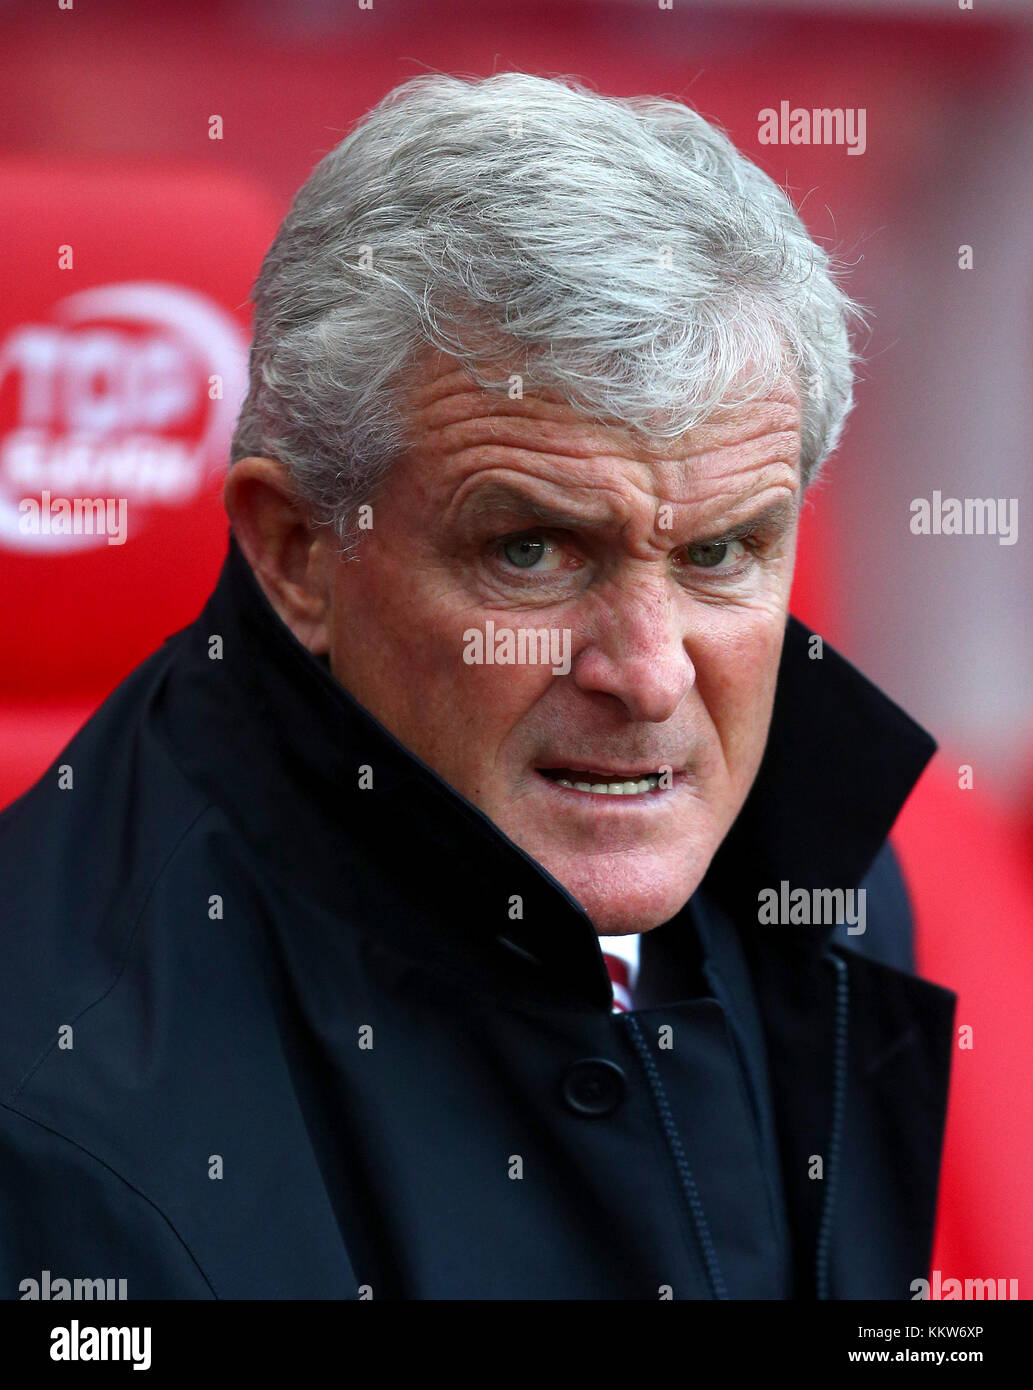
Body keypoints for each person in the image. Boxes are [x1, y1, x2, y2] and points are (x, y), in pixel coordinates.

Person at [0, 72, 954, 1300]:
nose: (651, 675)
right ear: (295, 549)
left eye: (718, 550)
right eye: (532, 551)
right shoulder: (55, 1143)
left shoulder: (825, 869)